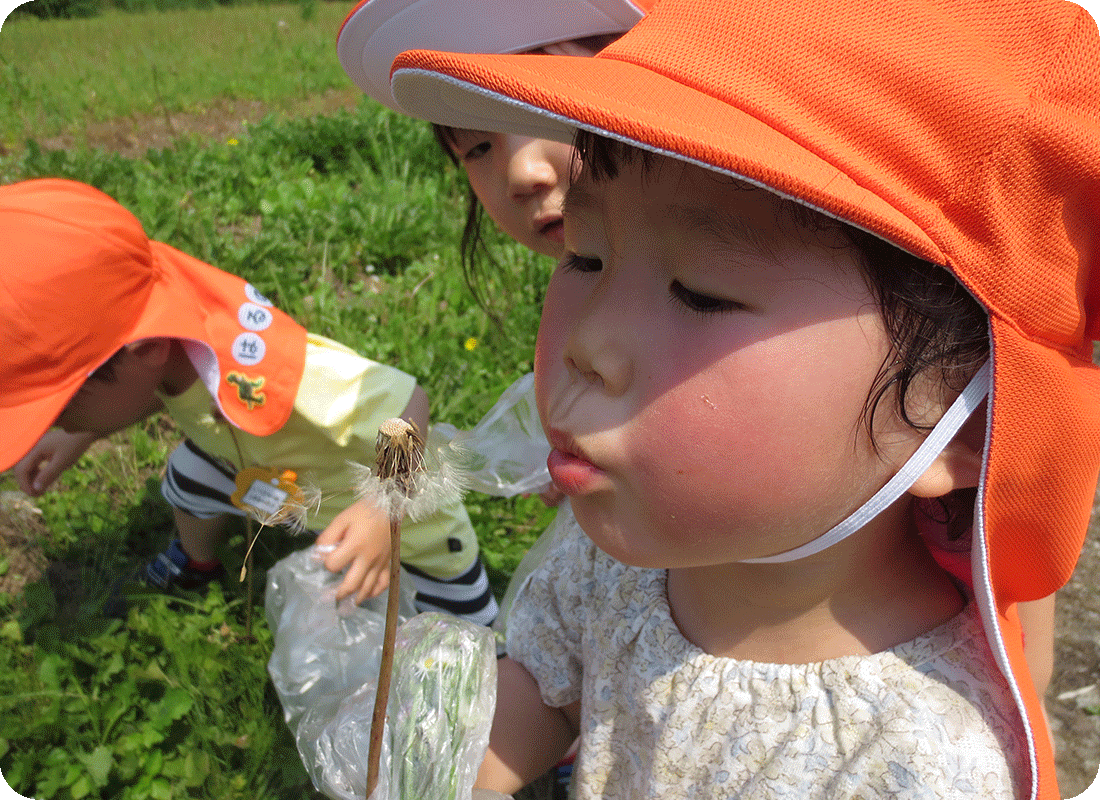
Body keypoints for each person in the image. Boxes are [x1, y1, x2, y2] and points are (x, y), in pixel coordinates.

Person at [386, 0, 1100, 797]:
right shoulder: (610, 563)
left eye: (699, 293)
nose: (587, 345)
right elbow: (541, 689)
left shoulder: (926, 758)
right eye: (586, 258)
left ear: (954, 410)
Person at [0, 178, 497, 626]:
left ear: (143, 351)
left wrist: (379, 511)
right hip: (269, 468)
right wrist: (78, 434)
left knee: (466, 628)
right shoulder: (159, 336)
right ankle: (197, 563)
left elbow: (410, 404)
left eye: (60, 407)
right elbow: (147, 394)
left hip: (401, 513)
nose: (56, 421)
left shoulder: (288, 377)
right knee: (189, 477)